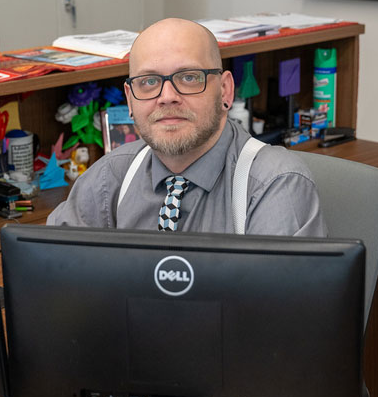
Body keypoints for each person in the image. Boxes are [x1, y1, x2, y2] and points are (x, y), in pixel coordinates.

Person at [47, 18, 327, 236]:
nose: (167, 96)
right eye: (148, 82)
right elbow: (49, 265)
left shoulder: (275, 185)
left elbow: (277, 308)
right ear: (130, 100)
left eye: (190, 77)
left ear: (226, 91)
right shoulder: (111, 177)